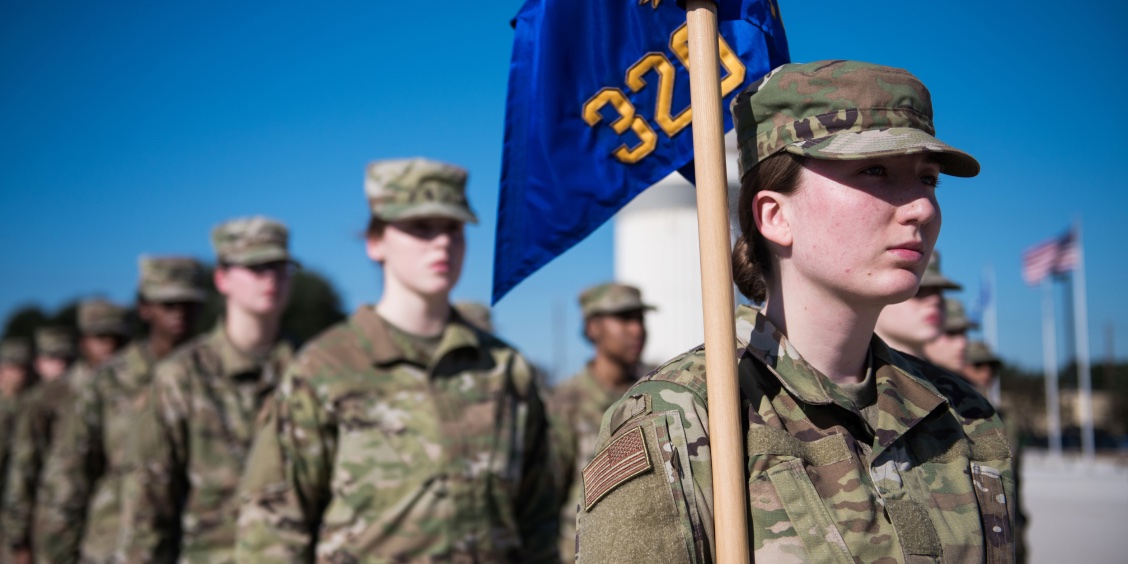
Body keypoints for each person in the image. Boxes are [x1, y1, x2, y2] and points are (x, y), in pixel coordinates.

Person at [576, 60, 1016, 563]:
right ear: (775, 216)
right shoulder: (688, 415)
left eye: (928, 179)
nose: (920, 207)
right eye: (875, 170)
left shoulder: (962, 413)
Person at [237, 158, 559, 562]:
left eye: (453, 229)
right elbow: (273, 531)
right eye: (421, 228)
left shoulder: (503, 369)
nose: (441, 243)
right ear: (375, 242)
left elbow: (539, 519)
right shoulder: (323, 369)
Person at [120, 217, 298, 562]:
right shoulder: (181, 376)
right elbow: (147, 504)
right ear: (222, 278)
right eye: (255, 267)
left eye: (279, 267)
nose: (270, 279)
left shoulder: (310, 368)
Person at [36, 257, 206, 564]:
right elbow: (67, 478)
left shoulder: (213, 378)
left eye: (188, 304)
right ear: (144, 308)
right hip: (115, 546)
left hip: (196, 547)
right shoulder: (108, 382)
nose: (179, 314)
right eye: (168, 305)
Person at [549, 282, 653, 560]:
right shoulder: (566, 402)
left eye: (640, 318)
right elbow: (547, 497)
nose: (637, 329)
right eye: (624, 318)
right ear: (593, 328)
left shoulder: (659, 392)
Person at [2, 326, 77, 562]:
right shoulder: (32, 406)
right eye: (53, 358)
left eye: (66, 358)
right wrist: (15, 533)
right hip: (24, 516)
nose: (61, 366)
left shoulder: (78, 398)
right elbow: (20, 470)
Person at [964, 341, 1028, 563]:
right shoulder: (947, 415)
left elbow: (1015, 476)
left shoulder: (1004, 417)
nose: (987, 372)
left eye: (992, 366)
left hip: (1009, 523)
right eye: (978, 364)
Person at [874, 251, 961, 359]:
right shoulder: (851, 371)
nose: (935, 300)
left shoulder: (941, 375)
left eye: (938, 291)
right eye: (917, 290)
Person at [0, 337, 33, 563]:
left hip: (23, 509)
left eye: (22, 367)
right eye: (12, 366)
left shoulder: (31, 405)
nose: (17, 373)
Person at [924, 297, 976, 373]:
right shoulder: (905, 379)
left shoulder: (964, 383)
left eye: (963, 333)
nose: (962, 344)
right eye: (951, 333)